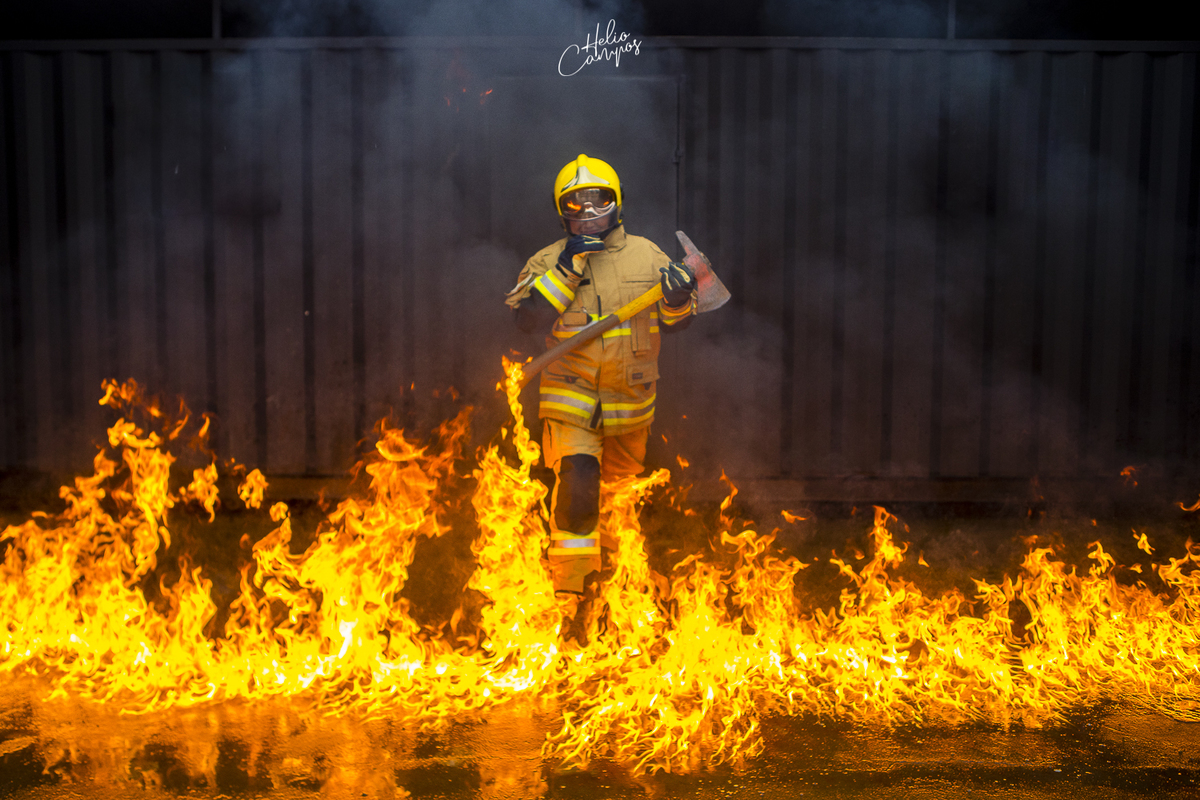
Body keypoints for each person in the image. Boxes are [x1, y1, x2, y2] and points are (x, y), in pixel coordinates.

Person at [505, 153, 696, 598]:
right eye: (576, 203)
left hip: (630, 400)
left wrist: (677, 298)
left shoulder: (648, 255)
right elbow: (526, 321)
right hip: (570, 400)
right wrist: (567, 270)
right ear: (561, 211)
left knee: (618, 497)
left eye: (598, 200)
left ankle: (612, 588)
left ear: (617, 203)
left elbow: (675, 323)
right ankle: (569, 589)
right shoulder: (546, 260)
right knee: (578, 485)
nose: (589, 212)